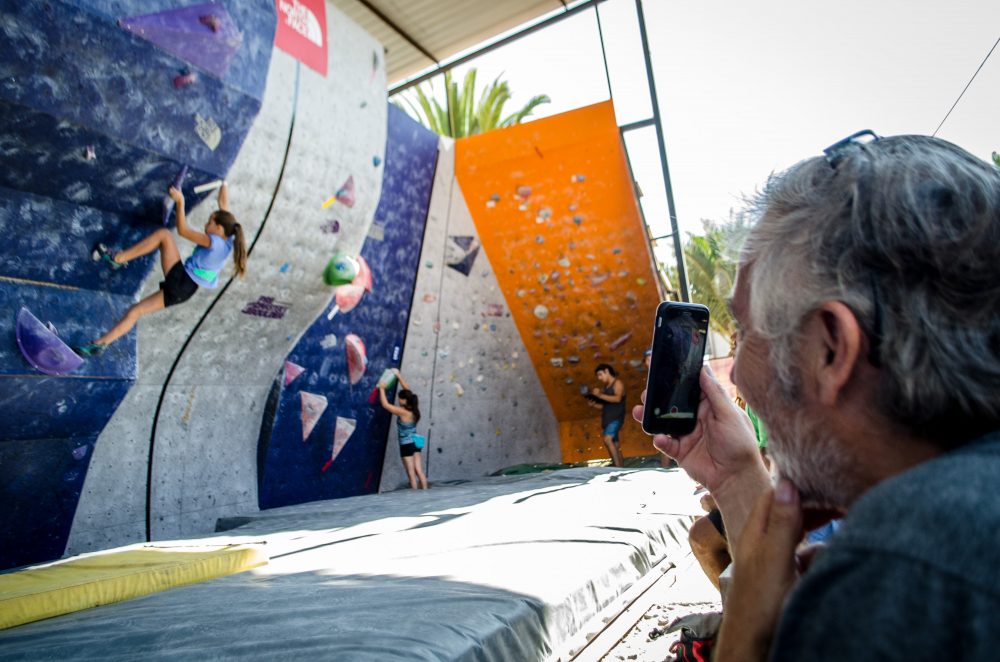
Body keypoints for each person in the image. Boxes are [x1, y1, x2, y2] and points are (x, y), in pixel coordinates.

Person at [634, 132, 1000, 661]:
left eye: (746, 331)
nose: (735, 374)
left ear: (830, 347)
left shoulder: (896, 573)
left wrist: (743, 639)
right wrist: (737, 477)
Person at [76, 183, 246, 356]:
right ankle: (100, 344)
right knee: (136, 311)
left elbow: (183, 230)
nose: (205, 225)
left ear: (218, 229)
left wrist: (180, 202)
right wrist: (224, 183)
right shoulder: (228, 241)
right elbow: (224, 206)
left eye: (209, 222)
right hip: (186, 291)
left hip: (181, 280)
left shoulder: (213, 242)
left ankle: (117, 259)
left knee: (164, 235)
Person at [379, 369, 428, 490]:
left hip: (406, 445)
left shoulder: (402, 412)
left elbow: (385, 405)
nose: (399, 400)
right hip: (416, 442)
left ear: (405, 401)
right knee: (419, 471)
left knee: (411, 475)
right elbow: (408, 391)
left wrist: (381, 389)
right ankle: (426, 493)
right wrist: (398, 375)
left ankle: (415, 500)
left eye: (400, 398)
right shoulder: (414, 409)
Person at [590, 363, 625, 467]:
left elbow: (617, 398)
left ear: (607, 371)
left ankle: (617, 467)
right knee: (615, 445)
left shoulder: (617, 383)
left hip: (615, 418)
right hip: (608, 419)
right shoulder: (606, 388)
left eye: (600, 374)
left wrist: (600, 395)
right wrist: (594, 404)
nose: (599, 378)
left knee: (607, 439)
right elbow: (604, 406)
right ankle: (622, 468)